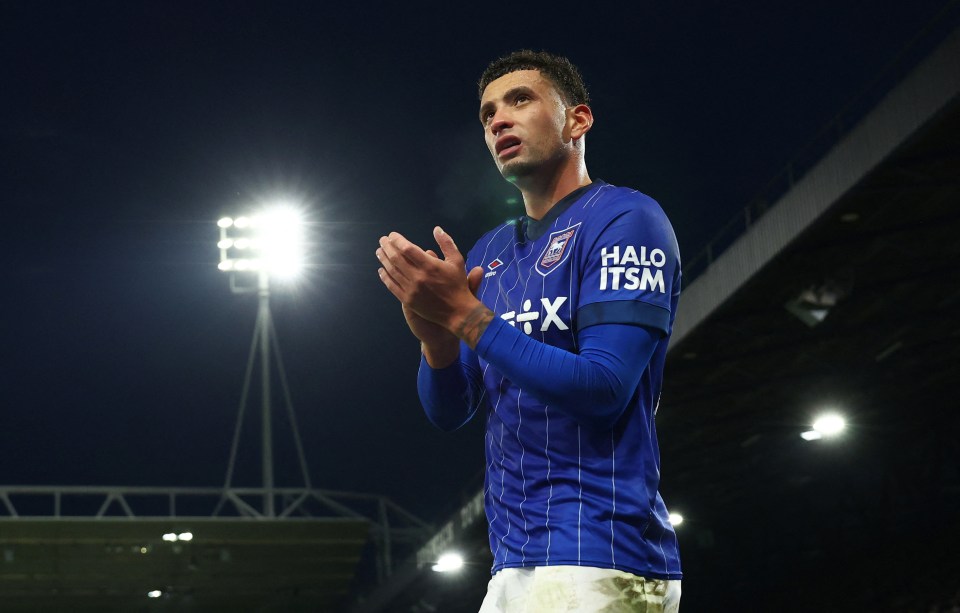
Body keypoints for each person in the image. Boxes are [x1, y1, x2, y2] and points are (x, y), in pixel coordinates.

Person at [376, 50, 682, 612]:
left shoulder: (626, 218)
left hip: (600, 554)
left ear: (577, 120)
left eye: (520, 100)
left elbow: (604, 388)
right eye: (488, 113)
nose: (498, 120)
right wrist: (437, 340)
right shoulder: (491, 253)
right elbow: (449, 412)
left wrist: (464, 317)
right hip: (513, 563)